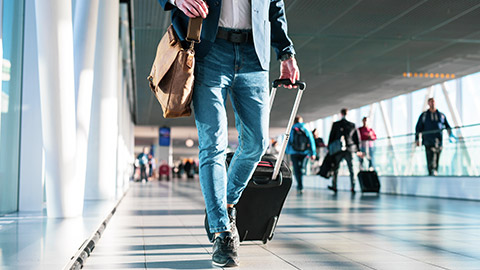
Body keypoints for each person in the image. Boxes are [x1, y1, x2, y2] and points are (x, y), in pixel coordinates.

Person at [158, 0, 299, 267]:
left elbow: (274, 8)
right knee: (213, 145)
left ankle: (226, 206)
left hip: (254, 57)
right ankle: (222, 233)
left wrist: (286, 53)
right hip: (209, 52)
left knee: (256, 144)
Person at [327, 108, 361, 193]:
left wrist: (329, 149)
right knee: (351, 169)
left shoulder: (336, 124)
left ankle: (334, 186)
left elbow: (331, 137)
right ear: (347, 114)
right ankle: (353, 187)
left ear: (341, 114)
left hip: (338, 150)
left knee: (336, 169)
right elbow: (356, 139)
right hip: (350, 149)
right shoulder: (352, 125)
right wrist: (358, 150)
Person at [415, 97, 452, 176]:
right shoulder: (424, 115)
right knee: (430, 159)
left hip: (439, 142)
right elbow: (418, 128)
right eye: (430, 102)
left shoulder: (441, 115)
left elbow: (447, 125)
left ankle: (435, 173)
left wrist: (450, 134)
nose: (432, 103)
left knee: (437, 159)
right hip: (428, 142)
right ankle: (431, 173)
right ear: (428, 104)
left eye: (433, 102)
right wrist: (417, 139)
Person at [286, 116, 316, 195]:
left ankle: (300, 185)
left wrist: (287, 152)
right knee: (302, 168)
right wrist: (313, 153)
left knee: (296, 169)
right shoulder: (305, 128)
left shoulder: (292, 129)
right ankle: (301, 178)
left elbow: (288, 141)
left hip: (294, 152)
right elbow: (311, 140)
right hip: (305, 152)